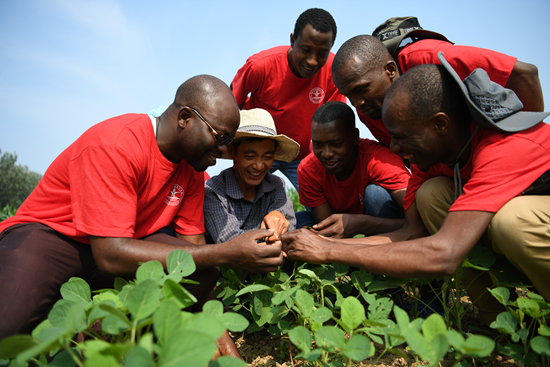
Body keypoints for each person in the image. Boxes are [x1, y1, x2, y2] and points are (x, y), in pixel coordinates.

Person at [0, 76, 284, 346]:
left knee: (203, 274)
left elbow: (193, 252)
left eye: (229, 142)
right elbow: (109, 255)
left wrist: (218, 334)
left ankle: (89, 339)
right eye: (221, 137)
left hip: (122, 244)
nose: (224, 152)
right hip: (55, 237)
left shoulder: (193, 169)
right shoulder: (117, 143)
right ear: (185, 118)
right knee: (7, 330)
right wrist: (228, 252)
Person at [282, 59, 550, 324]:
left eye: (402, 136)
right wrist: (327, 243)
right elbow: (412, 233)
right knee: (431, 195)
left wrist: (331, 251)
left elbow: (445, 253)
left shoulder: (500, 149)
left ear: (440, 125)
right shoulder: (430, 164)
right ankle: (497, 321)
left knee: (513, 222)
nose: (395, 148)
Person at [332, 21, 544, 149]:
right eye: (348, 95)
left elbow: (525, 74)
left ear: (390, 71)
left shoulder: (430, 57)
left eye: (361, 89)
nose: (356, 102)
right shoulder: (368, 109)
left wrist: (526, 150)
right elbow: (408, 156)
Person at [231, 8, 346, 191]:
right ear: (292, 40)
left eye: (322, 53)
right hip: (260, 152)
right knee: (240, 202)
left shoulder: (334, 71)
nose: (312, 61)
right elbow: (232, 101)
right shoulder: (261, 65)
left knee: (324, 201)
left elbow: (334, 121)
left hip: (302, 155)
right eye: (306, 50)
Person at [296, 101, 410, 237]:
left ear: (355, 137)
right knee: (298, 221)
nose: (326, 154)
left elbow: (418, 221)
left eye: (336, 144)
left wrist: (361, 224)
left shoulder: (379, 160)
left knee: (376, 195)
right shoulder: (309, 169)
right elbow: (328, 230)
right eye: (318, 144)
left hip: (388, 229)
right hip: (341, 227)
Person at [204, 108, 299, 244]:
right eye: (249, 156)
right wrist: (272, 236)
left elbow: (288, 229)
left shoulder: (276, 185)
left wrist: (278, 216)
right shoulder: (213, 191)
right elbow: (230, 242)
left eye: (267, 157)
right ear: (231, 152)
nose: (259, 165)